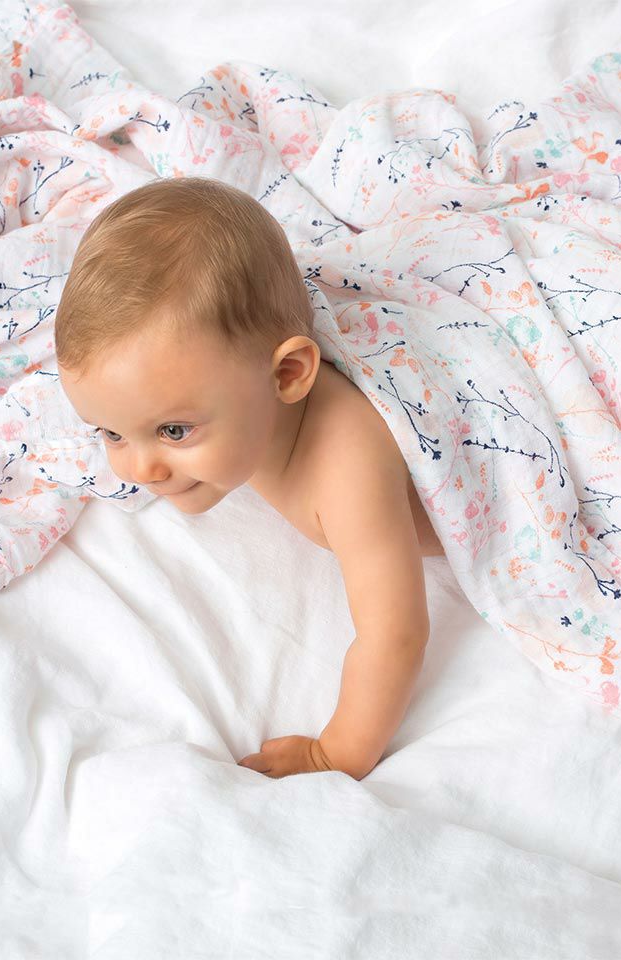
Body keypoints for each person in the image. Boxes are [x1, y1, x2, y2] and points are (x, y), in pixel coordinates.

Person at [55, 176, 443, 781]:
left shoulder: (348, 471)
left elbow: (396, 633)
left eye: (173, 431)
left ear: (288, 374)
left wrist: (334, 754)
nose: (139, 470)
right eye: (110, 432)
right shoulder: (236, 388)